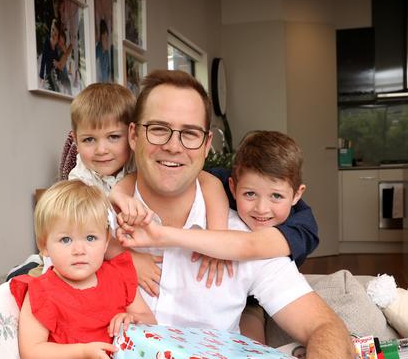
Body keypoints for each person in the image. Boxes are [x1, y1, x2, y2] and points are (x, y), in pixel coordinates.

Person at [119, 69, 354, 358]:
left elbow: (325, 327)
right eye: (157, 128)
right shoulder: (87, 224)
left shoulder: (243, 237)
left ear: (206, 145)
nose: (173, 145)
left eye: (190, 134)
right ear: (133, 135)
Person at [7, 83, 230, 292]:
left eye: (113, 137)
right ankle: (28, 269)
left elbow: (210, 181)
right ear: (75, 140)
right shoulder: (81, 178)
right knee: (44, 281)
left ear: (133, 137)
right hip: (83, 247)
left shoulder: (142, 162)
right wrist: (130, 258)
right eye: (88, 140)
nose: (101, 150)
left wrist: (217, 238)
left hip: (105, 244)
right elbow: (85, 230)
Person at [118, 130, 319, 343]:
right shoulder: (224, 179)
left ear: (297, 195)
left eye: (276, 196)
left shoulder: (303, 226)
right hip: (237, 289)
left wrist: (214, 242)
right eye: (249, 194)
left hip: (259, 291)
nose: (262, 209)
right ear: (233, 187)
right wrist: (118, 193)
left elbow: (250, 246)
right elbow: (156, 175)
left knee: (252, 324)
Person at [10, 180, 156, 359]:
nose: (79, 250)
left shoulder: (119, 275)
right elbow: (31, 351)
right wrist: (83, 352)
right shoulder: (42, 292)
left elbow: (150, 320)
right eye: (66, 240)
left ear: (106, 242)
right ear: (44, 246)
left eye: (90, 237)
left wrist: (132, 320)